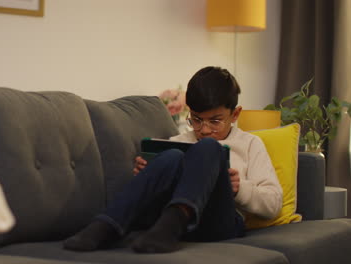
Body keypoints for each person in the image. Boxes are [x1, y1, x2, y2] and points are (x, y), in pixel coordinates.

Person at [63, 66, 283, 253]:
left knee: (209, 147)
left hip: (218, 223)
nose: (204, 129)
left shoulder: (250, 144)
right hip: (165, 222)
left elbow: (273, 203)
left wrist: (240, 189)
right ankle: (106, 225)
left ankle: (172, 225)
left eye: (215, 121)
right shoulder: (179, 140)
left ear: (234, 115)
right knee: (171, 156)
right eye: (196, 120)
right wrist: (151, 171)